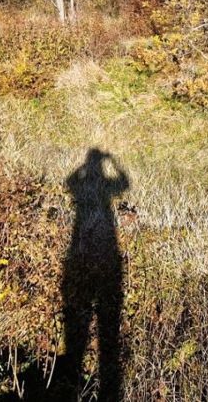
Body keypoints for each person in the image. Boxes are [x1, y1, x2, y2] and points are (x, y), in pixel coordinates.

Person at [56, 148, 130, 401]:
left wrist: (85, 168)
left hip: (85, 238)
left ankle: (76, 377)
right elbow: (124, 183)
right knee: (107, 328)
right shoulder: (106, 186)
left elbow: (70, 182)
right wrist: (115, 163)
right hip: (104, 239)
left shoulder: (84, 185)